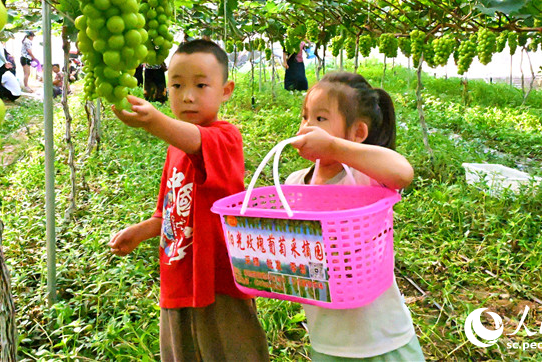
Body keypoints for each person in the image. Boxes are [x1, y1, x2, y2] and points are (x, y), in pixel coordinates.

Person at [108, 39, 270, 362]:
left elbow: (197, 141)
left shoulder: (225, 138)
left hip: (219, 283)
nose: (187, 96)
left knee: (234, 351)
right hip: (177, 281)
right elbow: (167, 213)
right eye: (177, 85)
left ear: (226, 90)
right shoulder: (174, 147)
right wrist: (140, 231)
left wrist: (152, 120)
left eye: (200, 85)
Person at [285, 71, 423, 361]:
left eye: (320, 120)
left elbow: (403, 172)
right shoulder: (296, 183)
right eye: (305, 117)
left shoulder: (363, 179)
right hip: (327, 339)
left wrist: (335, 148)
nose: (307, 128)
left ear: (358, 133)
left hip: (382, 339)